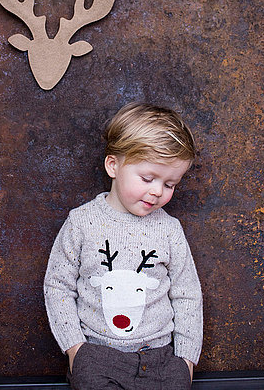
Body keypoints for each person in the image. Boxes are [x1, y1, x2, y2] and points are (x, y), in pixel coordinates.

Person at [44, 102, 203, 390]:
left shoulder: (169, 229)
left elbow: (187, 294)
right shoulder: (81, 223)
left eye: (170, 184)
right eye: (147, 178)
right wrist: (75, 350)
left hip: (162, 359)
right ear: (113, 165)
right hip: (98, 357)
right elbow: (58, 286)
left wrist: (186, 361)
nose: (157, 191)